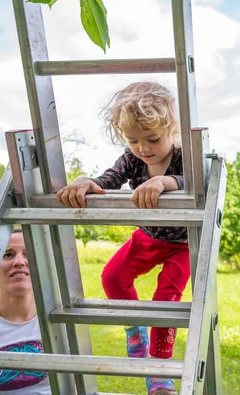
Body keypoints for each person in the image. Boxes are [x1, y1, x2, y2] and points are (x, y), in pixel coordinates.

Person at [56, 81, 188, 395]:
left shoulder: (184, 156)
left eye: (153, 139)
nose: (143, 148)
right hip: (149, 237)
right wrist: (87, 181)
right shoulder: (132, 159)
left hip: (184, 244)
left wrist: (163, 182)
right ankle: (134, 328)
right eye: (133, 140)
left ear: (172, 129)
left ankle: (158, 370)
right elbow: (109, 180)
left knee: (166, 302)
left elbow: (192, 180)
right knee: (112, 276)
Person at [0, 228, 51, 395]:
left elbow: (74, 385)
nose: (19, 262)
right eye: (8, 255)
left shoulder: (58, 319)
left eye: (28, 254)